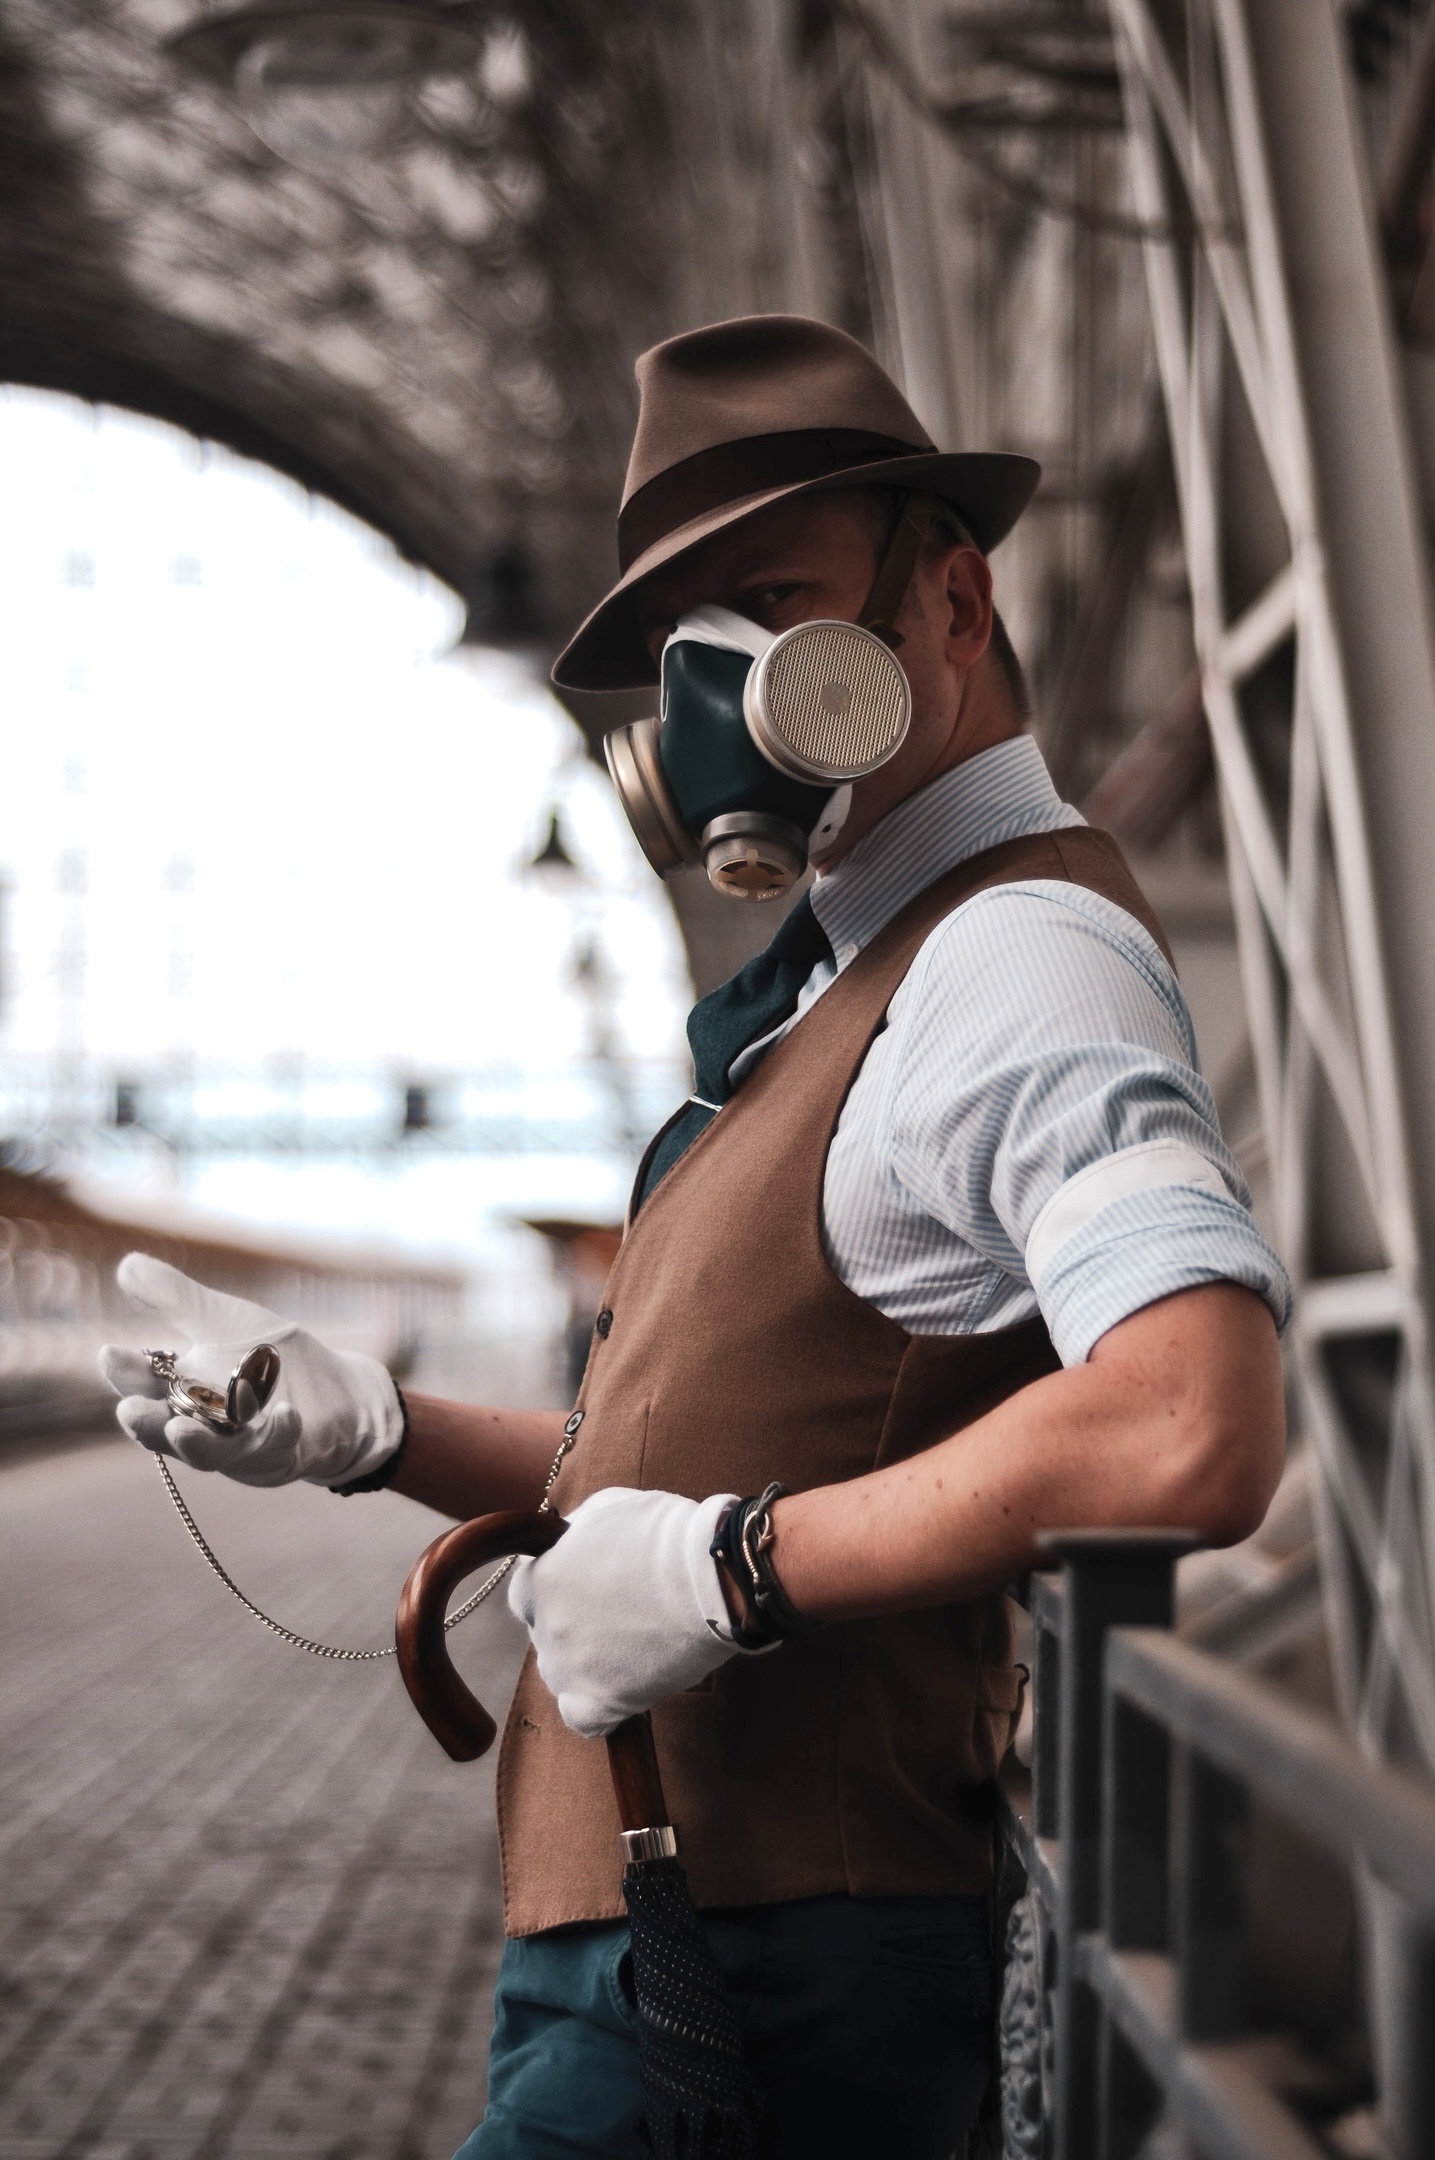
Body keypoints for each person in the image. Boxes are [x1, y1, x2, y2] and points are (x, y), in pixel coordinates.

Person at [101, 316, 1290, 2160]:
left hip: (784, 1960)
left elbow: (1188, 1420)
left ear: (953, 608)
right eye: (680, 644)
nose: (713, 687)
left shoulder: (1011, 955)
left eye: (772, 603)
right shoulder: (852, 994)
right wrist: (371, 1428)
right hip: (673, 1940)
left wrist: (739, 1570)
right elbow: (671, 1472)